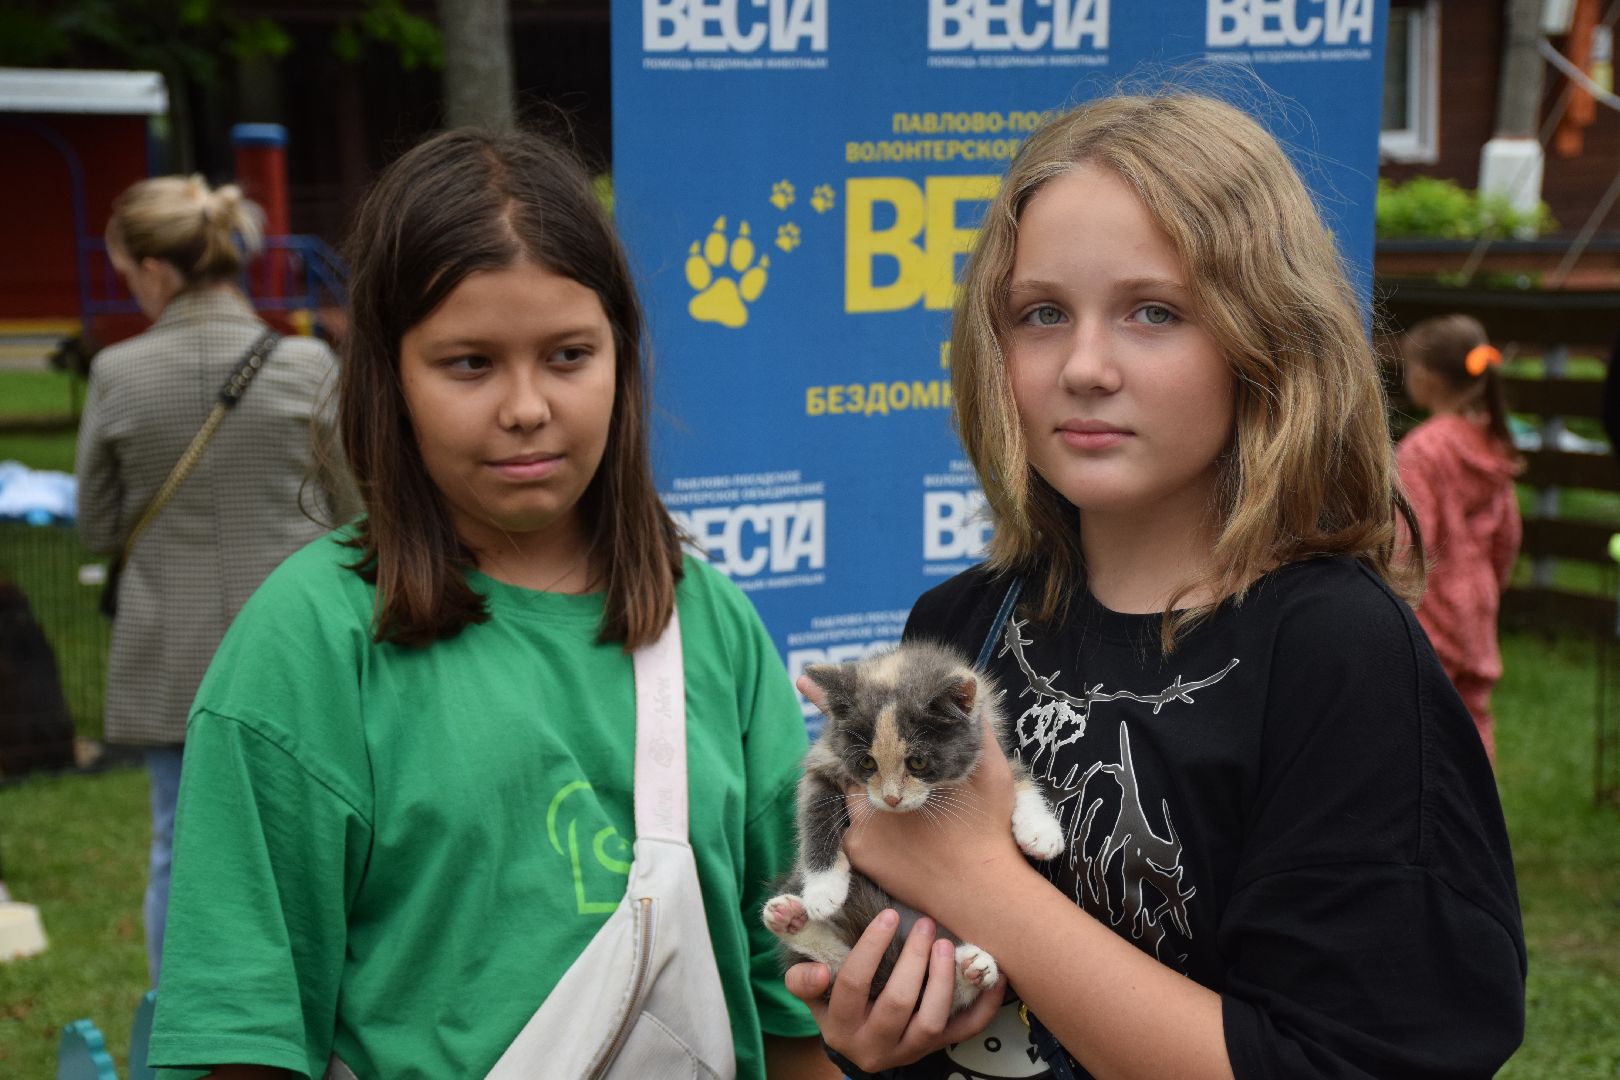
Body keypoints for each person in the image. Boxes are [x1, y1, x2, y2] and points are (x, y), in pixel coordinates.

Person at [785, 93, 1527, 1080]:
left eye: (1154, 312)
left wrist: (980, 881)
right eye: (1042, 314)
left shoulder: (1335, 653)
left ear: (1265, 341)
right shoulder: (958, 624)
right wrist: (877, 1019)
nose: (1086, 367)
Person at [144, 129, 833, 1080]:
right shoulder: (306, 644)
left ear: (623, 361)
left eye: (567, 355)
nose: (525, 406)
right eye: (469, 363)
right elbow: (241, 1031)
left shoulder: (713, 624)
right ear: (389, 378)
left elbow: (789, 990)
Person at [75, 175, 353, 987]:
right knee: (308, 838)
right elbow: (352, 510)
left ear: (154, 271)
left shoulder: (118, 373)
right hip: (299, 647)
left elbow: (96, 525)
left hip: (170, 651)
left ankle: (182, 1018)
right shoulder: (308, 364)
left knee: (176, 841)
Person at [1396, 314, 1523, 767]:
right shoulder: (1492, 443)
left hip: (1434, 610)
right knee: (1473, 715)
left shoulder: (1424, 449)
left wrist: (1390, 601)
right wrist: (1493, 586)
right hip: (1478, 606)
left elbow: (1412, 540)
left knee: (1422, 724)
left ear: (1427, 378)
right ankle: (1478, 808)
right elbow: (1508, 534)